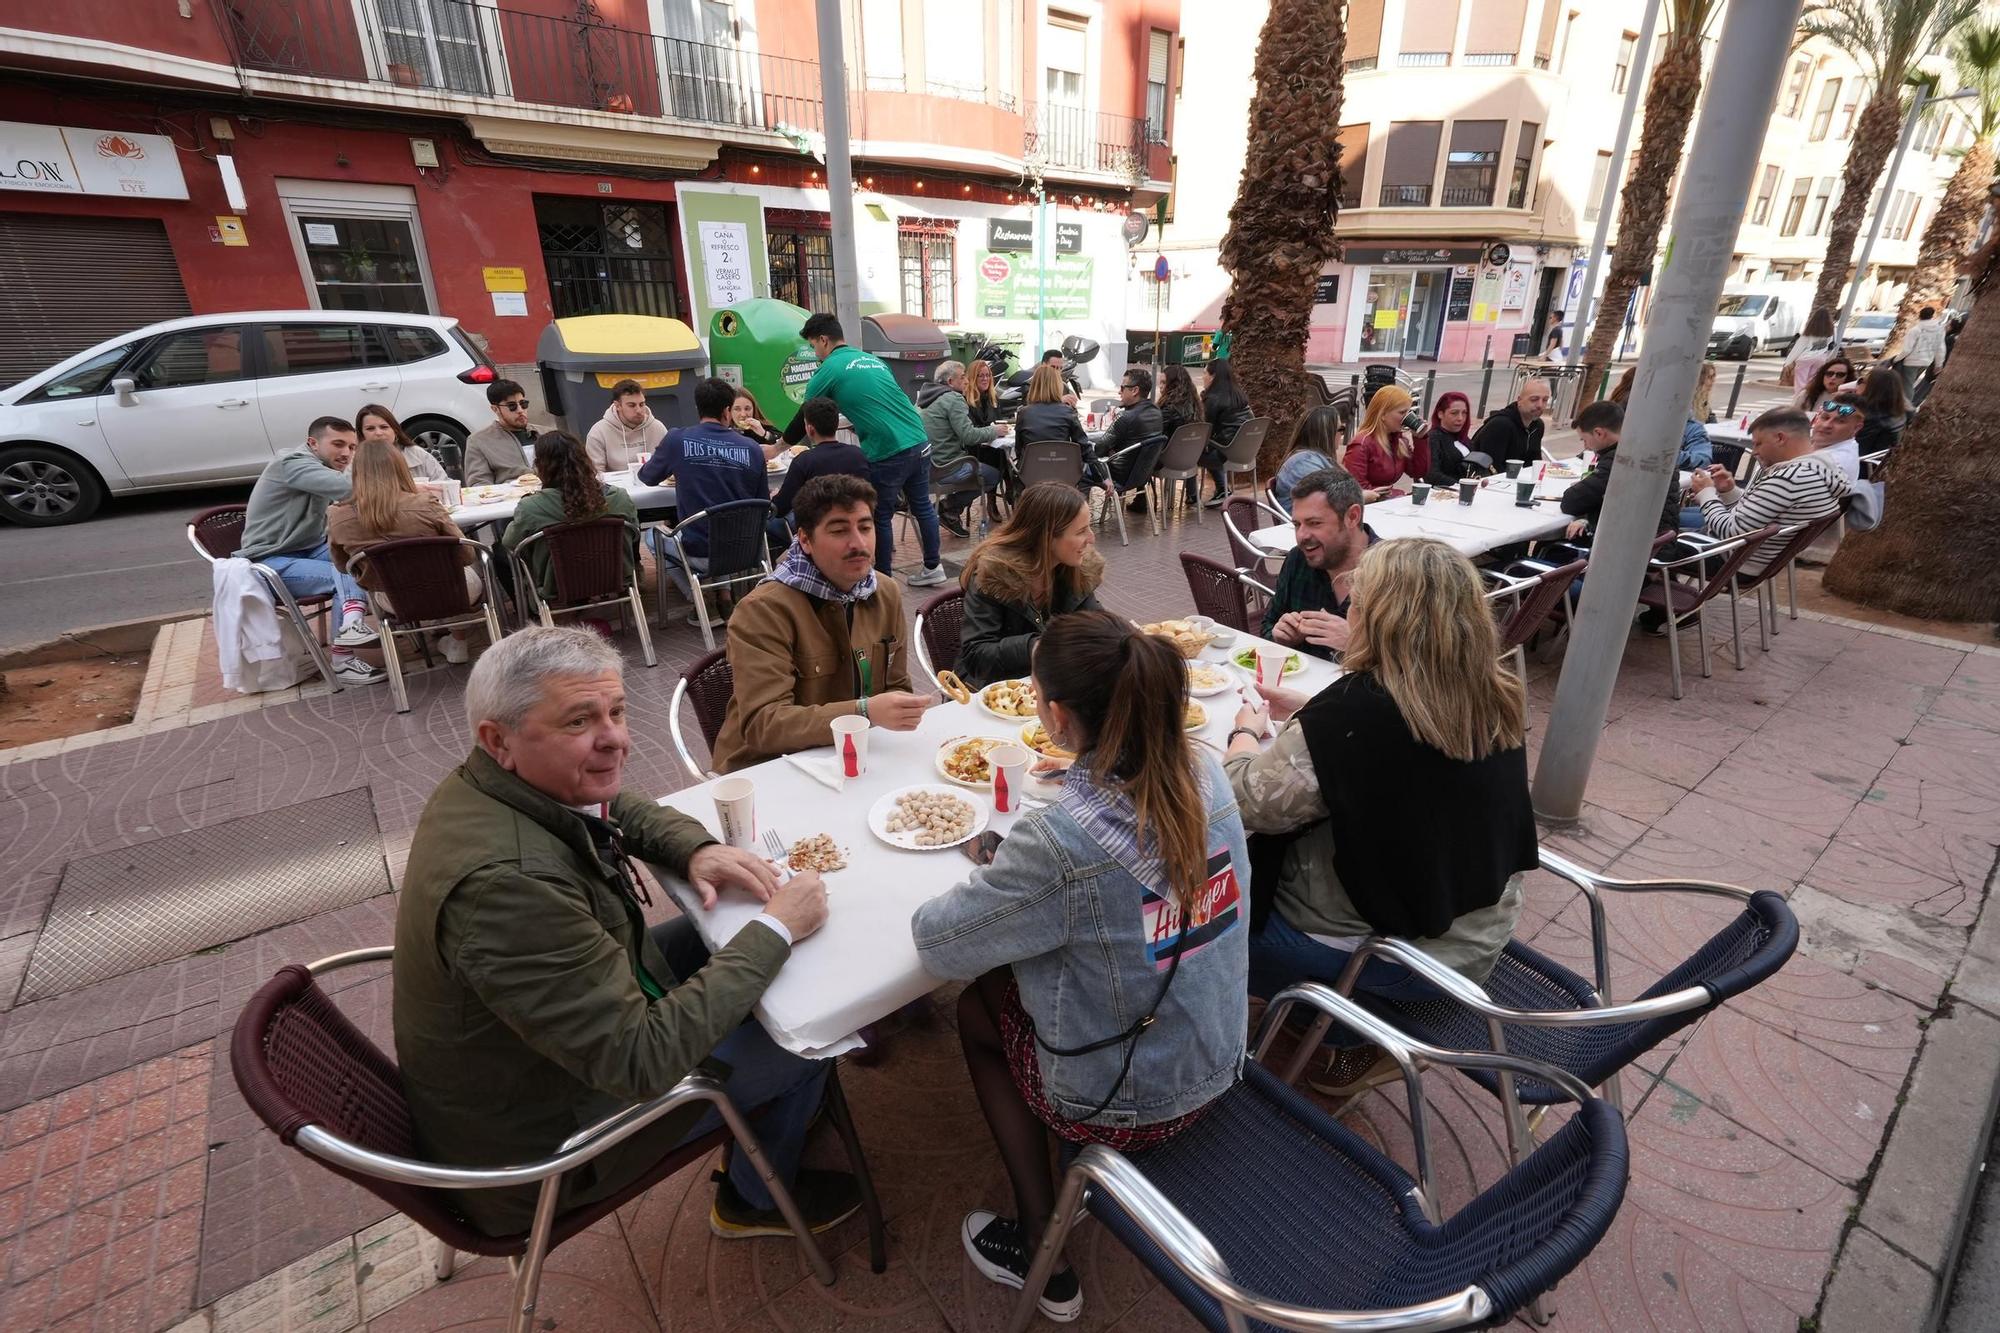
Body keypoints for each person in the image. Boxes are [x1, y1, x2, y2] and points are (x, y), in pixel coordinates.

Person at [393, 626, 859, 1239]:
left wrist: (694, 849)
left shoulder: (498, 783)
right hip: (550, 1148)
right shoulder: (507, 887)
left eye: (616, 711)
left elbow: (617, 805)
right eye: (579, 721)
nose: (614, 738)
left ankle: (778, 1110)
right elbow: (642, 1061)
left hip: (536, 1063)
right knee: (814, 1031)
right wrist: (775, 928)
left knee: (741, 944)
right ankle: (755, 1199)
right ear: (498, 739)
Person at [913, 610, 1249, 1323]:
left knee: (976, 1008)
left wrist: (1010, 880)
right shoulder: (1204, 769)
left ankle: (1041, 1236)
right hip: (1221, 1059)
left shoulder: (1060, 836)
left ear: (1057, 715)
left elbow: (937, 943)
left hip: (1127, 1104)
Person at [1225, 539, 1533, 1095]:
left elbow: (1247, 802)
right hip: (1481, 921)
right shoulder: (1492, 688)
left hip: (1401, 955)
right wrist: (1312, 715)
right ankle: (1336, 1016)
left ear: (1383, 618)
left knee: (1208, 922)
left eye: (1359, 604)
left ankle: (1347, 1036)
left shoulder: (1358, 714)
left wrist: (1244, 731)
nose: (1349, 613)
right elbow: (1403, 749)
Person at [710, 475, 933, 773]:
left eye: (865, 528)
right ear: (805, 540)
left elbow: (896, 685)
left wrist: (901, 708)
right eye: (840, 530)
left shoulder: (884, 592)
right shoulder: (762, 611)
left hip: (854, 758)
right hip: (769, 770)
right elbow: (764, 725)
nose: (858, 543)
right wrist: (864, 712)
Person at [785, 314, 947, 588]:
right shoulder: (873, 360)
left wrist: (779, 445)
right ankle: (934, 566)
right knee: (922, 506)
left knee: (879, 515)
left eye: (814, 346)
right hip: (919, 440)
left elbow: (806, 414)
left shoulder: (830, 367)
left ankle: (881, 580)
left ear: (823, 340)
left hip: (889, 449)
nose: (816, 353)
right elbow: (880, 403)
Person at [235, 416, 381, 686]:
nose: (346, 453)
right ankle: (343, 658)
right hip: (269, 561)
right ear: (313, 443)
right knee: (349, 572)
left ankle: (352, 625)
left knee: (361, 558)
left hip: (307, 548)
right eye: (338, 444)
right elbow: (348, 489)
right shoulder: (293, 464)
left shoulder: (321, 466)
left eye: (352, 447)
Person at [326, 439, 484, 664]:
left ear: (357, 472)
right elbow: (466, 554)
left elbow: (343, 566)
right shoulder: (426, 503)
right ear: (400, 467)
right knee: (457, 569)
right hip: (458, 591)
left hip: (392, 597)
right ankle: (459, 640)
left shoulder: (338, 515)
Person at [956, 482, 1106, 688]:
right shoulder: (994, 573)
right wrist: (1036, 647)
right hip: (991, 693)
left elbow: (1096, 623)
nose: (1091, 538)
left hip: (1049, 683)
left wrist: (1124, 636)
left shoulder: (1075, 570)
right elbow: (976, 656)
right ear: (1047, 537)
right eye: (1081, 531)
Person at [1684, 405, 1853, 580]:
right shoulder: (1819, 470)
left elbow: (1730, 531)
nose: (1755, 451)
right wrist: (1729, 491)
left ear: (1780, 438)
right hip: (1752, 559)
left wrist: (1706, 493)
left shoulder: (1789, 479)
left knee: (1656, 539)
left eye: (1758, 443)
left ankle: (1666, 603)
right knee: (1669, 531)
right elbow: (1758, 516)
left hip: (1729, 560)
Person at [639, 377, 772, 587]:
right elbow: (762, 501)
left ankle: (697, 601)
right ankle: (724, 592)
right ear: (728, 411)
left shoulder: (677, 440)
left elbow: (647, 477)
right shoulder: (753, 448)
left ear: (697, 407)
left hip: (700, 552)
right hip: (746, 549)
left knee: (652, 538)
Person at [502, 431, 641, 604]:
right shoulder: (619, 497)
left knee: (501, 555)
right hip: (615, 578)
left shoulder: (530, 507)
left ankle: (531, 617)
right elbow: (635, 533)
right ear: (585, 459)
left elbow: (510, 543)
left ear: (540, 466)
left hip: (554, 586)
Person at [1259, 469, 1375, 661]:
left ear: (1352, 517)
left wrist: (1358, 645)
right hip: (1298, 687)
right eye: (1297, 524)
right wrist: (1281, 637)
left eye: (1314, 523)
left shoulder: (1395, 573)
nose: (1301, 536)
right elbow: (1269, 625)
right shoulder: (1298, 559)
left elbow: (1419, 668)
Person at [1557, 400, 1681, 540]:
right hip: (1661, 540)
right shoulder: (1655, 451)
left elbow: (1570, 503)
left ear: (1599, 433)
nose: (1585, 446)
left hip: (1628, 550)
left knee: (1551, 546)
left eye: (1584, 440)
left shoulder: (1621, 460)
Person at [917, 360, 1008, 539]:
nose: (967, 380)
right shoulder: (953, 398)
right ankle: (949, 508)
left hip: (926, 466)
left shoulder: (925, 398)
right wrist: (994, 431)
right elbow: (969, 436)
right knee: (992, 475)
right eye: (963, 376)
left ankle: (949, 510)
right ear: (950, 382)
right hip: (948, 467)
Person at [771, 396, 869, 525]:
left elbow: (780, 509)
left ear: (809, 429)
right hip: (854, 525)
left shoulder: (803, 461)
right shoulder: (859, 455)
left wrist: (775, 496)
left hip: (817, 531)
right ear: (836, 424)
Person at [1341, 384, 1428, 501]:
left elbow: (1418, 471)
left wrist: (1420, 439)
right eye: (1402, 413)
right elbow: (1355, 488)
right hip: (1369, 507)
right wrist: (1394, 495)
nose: (1406, 418)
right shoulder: (1362, 444)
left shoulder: (1399, 440)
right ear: (1383, 415)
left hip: (1387, 503)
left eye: (1408, 412)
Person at [1092, 365, 1164, 492]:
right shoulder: (1156, 411)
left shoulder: (1125, 417)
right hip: (1141, 475)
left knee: (1080, 469)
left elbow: (1098, 450)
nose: (1119, 391)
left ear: (1135, 390)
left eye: (1122, 387)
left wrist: (1110, 450)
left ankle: (1078, 510)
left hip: (1118, 476)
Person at [462, 379, 539, 487]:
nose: (520, 410)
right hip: (510, 499)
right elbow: (479, 484)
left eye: (523, 404)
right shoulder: (479, 441)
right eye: (512, 406)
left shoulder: (546, 434)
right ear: (495, 409)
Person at [1198, 358, 1251, 508]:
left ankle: (1192, 496)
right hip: (1244, 450)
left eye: (1204, 373)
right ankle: (1222, 490)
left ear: (1213, 376)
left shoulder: (1213, 399)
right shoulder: (1238, 395)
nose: (1203, 377)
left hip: (1224, 453)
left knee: (1189, 452)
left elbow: (1205, 428)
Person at [585, 379, 668, 474]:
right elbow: (595, 473)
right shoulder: (598, 432)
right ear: (617, 406)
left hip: (654, 486)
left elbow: (670, 464)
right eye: (632, 405)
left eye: (642, 404)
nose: (639, 410)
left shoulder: (657, 427)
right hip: (615, 487)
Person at [1272, 405, 1343, 513]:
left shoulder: (1315, 458)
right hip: (1304, 525)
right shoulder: (1302, 463)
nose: (1342, 434)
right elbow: (1326, 501)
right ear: (1325, 434)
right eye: (1340, 429)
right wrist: (1362, 497)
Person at [1469, 377, 1549, 470]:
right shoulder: (1501, 425)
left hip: (1520, 479)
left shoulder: (1537, 426)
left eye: (1545, 400)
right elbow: (1492, 467)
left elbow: (1535, 463)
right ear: (1519, 400)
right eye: (1534, 399)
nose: (1540, 405)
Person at [356, 403, 448, 482]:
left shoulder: (417, 454)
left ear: (395, 430)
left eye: (384, 427)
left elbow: (445, 485)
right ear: (362, 434)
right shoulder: (356, 462)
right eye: (370, 429)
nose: (378, 433)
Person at [1014, 363, 1089, 455]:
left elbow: (1018, 448)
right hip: (1063, 466)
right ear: (1058, 386)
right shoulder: (1067, 411)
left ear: (1033, 386)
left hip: (1032, 467)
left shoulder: (1023, 413)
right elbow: (1083, 445)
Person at [1419, 391, 1478, 487]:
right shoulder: (1433, 439)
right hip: (1445, 493)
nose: (1460, 418)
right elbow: (1432, 474)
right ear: (1440, 414)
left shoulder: (1464, 438)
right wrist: (1461, 485)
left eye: (1464, 413)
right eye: (1454, 413)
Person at [1809, 390, 1868, 482]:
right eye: (1825, 417)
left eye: (1840, 421)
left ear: (1856, 428)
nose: (1826, 425)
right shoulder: (1830, 444)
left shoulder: (1833, 463)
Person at [1854, 364, 1910, 454]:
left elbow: (1858, 449)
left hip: (1865, 463)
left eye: (1864, 382)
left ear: (1871, 388)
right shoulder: (1899, 412)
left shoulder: (1871, 418)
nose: (1859, 384)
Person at [1783, 307, 1839, 392]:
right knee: (1812, 383)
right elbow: (1832, 346)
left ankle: (1798, 400)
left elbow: (1798, 347)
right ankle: (1808, 401)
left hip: (1805, 358)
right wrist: (1828, 358)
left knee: (1800, 383)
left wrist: (1788, 362)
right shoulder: (1832, 330)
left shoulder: (1810, 329)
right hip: (1821, 358)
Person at [1898, 305, 1947, 401]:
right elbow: (1940, 348)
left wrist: (1896, 359)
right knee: (1909, 384)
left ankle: (1905, 407)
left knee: (1907, 386)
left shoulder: (1915, 330)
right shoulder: (1939, 330)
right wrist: (1939, 364)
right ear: (1932, 316)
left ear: (1919, 316)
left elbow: (1907, 349)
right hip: (1926, 361)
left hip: (1911, 362)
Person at [1679, 362, 1716, 470]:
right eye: (1709, 377)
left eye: (1713, 377)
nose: (1712, 382)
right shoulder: (1690, 400)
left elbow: (1703, 459)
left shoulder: (1704, 403)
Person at [731, 387, 783, 454]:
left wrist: (764, 433)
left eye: (747, 409)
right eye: (737, 409)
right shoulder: (723, 430)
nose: (743, 414)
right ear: (729, 411)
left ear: (754, 409)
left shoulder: (761, 427)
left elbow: (785, 444)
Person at [965, 357, 1002, 427]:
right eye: (981, 376)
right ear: (973, 378)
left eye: (987, 375)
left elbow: (999, 421)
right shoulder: (965, 400)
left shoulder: (993, 398)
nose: (985, 379)